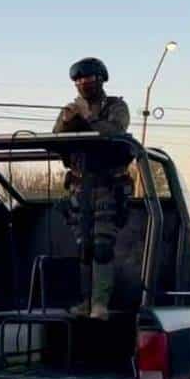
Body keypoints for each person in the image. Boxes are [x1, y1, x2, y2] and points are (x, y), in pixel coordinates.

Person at [53, 56, 131, 320]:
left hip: (108, 186)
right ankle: (85, 301)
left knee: (102, 248)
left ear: (100, 79)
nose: (83, 84)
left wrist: (85, 122)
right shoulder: (69, 109)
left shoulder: (116, 106)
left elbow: (114, 130)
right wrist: (68, 122)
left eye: (88, 78)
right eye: (79, 80)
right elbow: (56, 138)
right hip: (79, 188)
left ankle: (100, 304)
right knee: (84, 248)